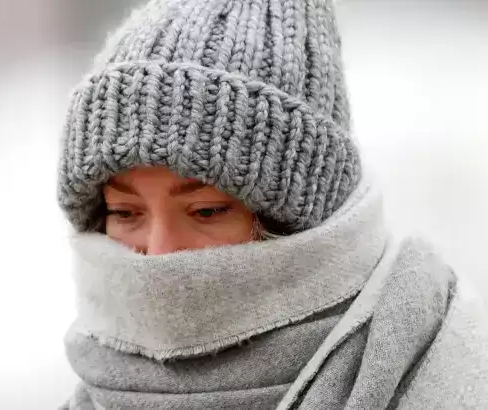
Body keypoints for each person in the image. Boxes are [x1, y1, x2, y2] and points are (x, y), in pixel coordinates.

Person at [55, 0, 488, 408]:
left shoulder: (455, 379)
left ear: (300, 226)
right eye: (125, 213)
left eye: (207, 211)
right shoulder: (92, 393)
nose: (159, 254)